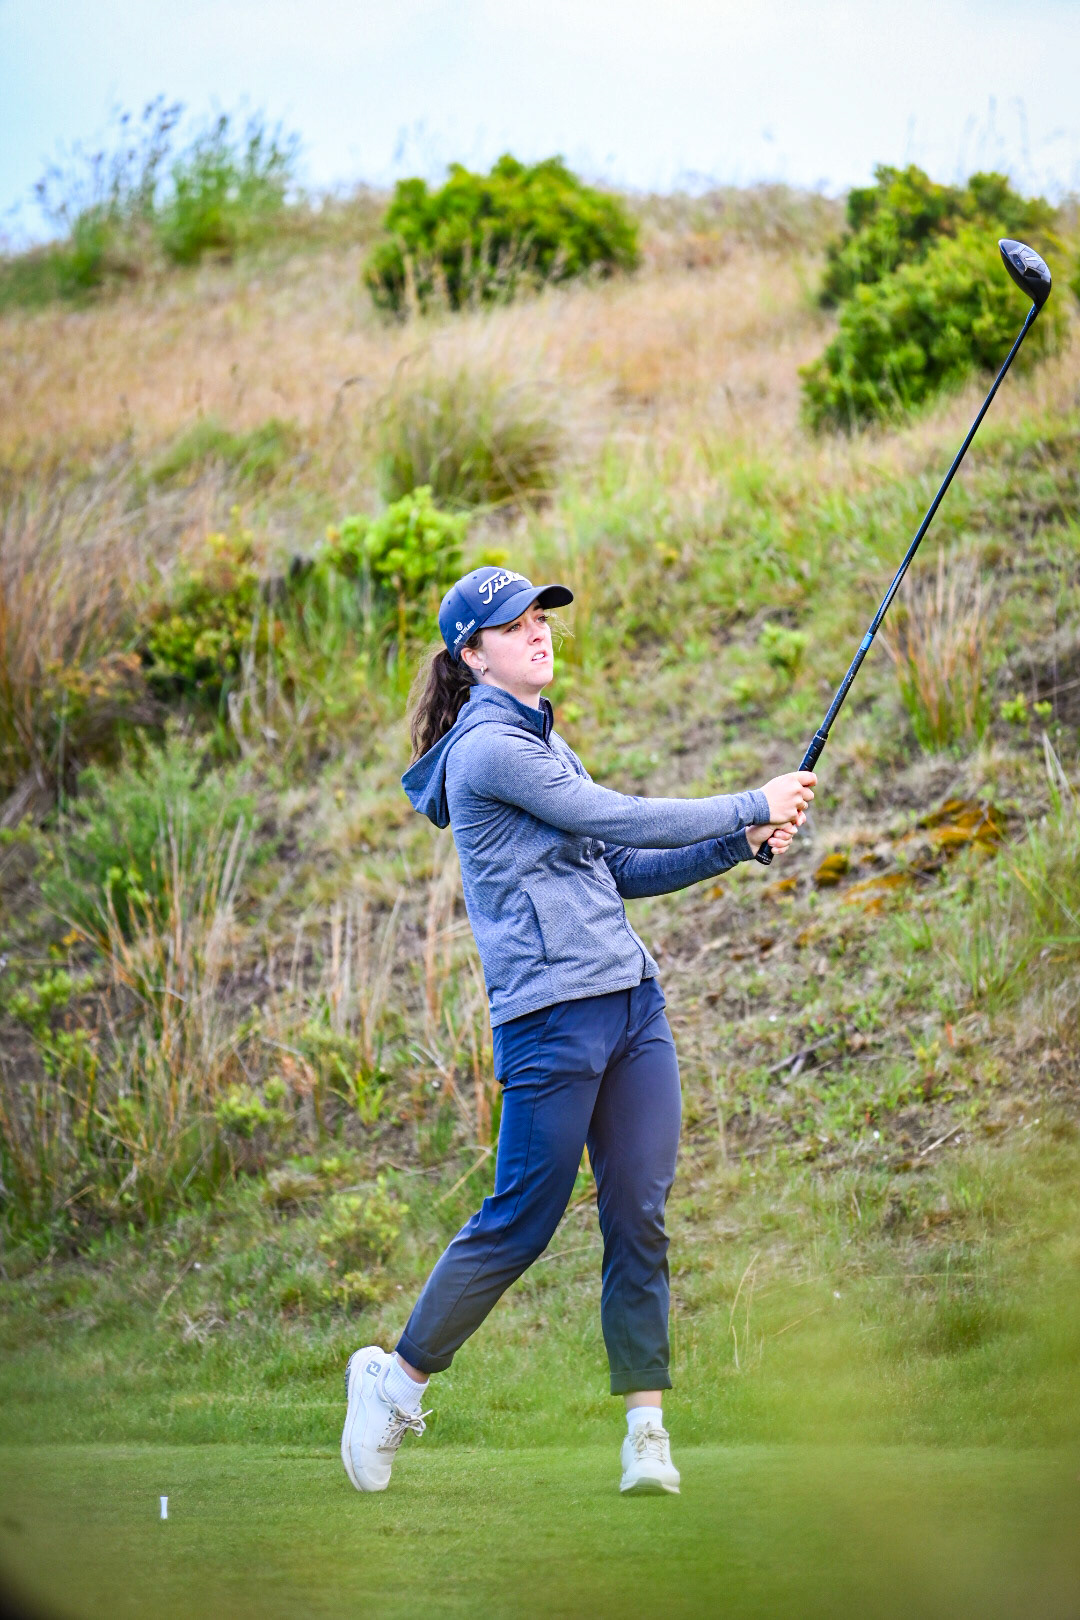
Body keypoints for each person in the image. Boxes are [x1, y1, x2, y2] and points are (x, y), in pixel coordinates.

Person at [341, 565, 814, 1496]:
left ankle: (646, 1435)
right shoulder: (488, 750)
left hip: (632, 1005)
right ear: (473, 656)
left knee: (638, 1212)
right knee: (522, 1219)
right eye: (514, 626)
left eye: (542, 619)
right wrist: (751, 803)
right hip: (549, 1018)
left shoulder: (544, 739)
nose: (539, 633)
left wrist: (736, 845)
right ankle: (393, 1383)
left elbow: (617, 865)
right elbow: (611, 815)